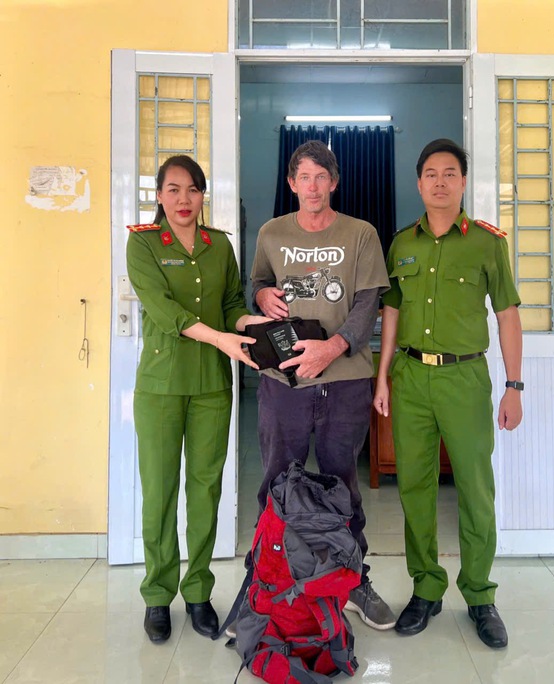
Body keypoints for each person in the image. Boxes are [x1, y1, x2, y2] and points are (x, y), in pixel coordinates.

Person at [374, 139, 523, 648]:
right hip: (411, 378)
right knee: (415, 487)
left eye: (450, 173)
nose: (440, 181)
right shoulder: (402, 243)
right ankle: (426, 588)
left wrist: (514, 386)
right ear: (419, 183)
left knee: (475, 489)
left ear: (462, 182)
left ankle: (479, 594)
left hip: (465, 379)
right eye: (431, 174)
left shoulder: (486, 243)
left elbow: (507, 315)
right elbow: (391, 312)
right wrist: (383, 376)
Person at [250, 140, 396, 631]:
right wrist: (262, 295)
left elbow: (368, 301)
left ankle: (353, 582)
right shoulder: (272, 232)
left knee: (343, 484)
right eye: (303, 177)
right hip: (283, 380)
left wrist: (332, 348)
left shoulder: (361, 234)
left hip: (345, 381)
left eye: (321, 177)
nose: (312, 187)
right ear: (291, 183)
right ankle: (266, 583)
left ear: (334, 181)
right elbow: (258, 283)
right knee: (276, 481)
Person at [126, 155, 269, 644]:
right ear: (159, 195)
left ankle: (199, 592)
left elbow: (231, 304)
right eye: (173, 189)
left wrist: (252, 325)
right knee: (160, 491)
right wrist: (220, 338)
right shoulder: (143, 243)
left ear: (203, 195)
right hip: (161, 386)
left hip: (211, 385)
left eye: (192, 189)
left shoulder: (219, 245)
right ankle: (157, 595)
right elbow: (164, 310)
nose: (183, 199)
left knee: (205, 490)